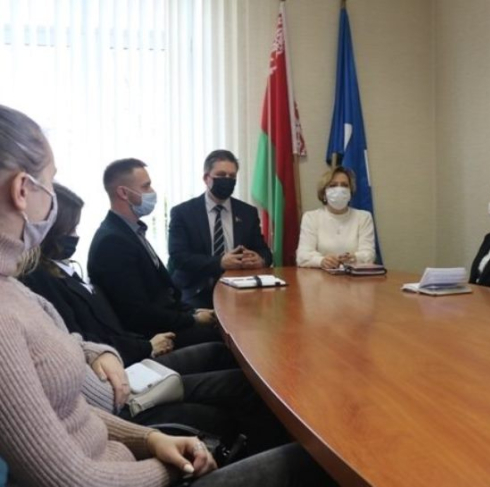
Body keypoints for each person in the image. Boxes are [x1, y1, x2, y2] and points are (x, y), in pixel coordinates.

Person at [0, 104, 334, 486]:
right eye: (51, 181)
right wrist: (176, 465)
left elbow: (76, 402)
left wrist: (148, 436)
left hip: (128, 442)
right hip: (134, 470)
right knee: (320, 461)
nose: (55, 201)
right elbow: (73, 478)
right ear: (22, 190)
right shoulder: (8, 314)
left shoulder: (15, 289)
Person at [21, 184, 290, 453]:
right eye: (70, 228)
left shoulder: (65, 268)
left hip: (131, 357)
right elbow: (111, 326)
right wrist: (148, 346)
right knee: (239, 385)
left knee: (221, 353)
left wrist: (186, 316)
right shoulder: (47, 276)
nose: (75, 235)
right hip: (126, 374)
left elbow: (109, 325)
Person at [88, 158, 220, 348]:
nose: (152, 192)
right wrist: (192, 319)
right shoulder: (113, 242)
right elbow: (137, 313)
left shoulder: (131, 231)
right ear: (123, 193)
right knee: (224, 339)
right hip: (152, 337)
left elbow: (160, 293)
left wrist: (193, 312)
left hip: (165, 321)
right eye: (146, 186)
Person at [169, 150, 272, 308]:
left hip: (240, 290)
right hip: (197, 290)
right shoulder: (183, 213)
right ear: (206, 178)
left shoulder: (247, 212)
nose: (227, 180)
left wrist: (260, 259)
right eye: (221, 175)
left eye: (232, 176)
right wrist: (220, 262)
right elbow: (178, 257)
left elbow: (265, 252)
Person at [296, 166, 376, 269]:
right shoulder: (311, 218)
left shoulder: (364, 217)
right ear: (324, 193)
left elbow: (369, 254)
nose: (339, 189)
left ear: (350, 192)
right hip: (320, 276)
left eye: (344, 185)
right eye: (333, 185)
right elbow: (302, 256)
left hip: (354, 276)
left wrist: (354, 258)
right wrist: (322, 261)